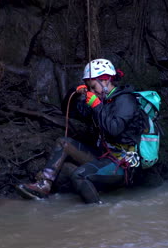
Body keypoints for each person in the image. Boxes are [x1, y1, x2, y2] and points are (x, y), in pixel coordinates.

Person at [15, 58, 147, 204]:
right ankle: (43, 185)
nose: (91, 91)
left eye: (92, 86)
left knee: (79, 176)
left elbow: (114, 129)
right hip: (103, 155)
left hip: (122, 164)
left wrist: (96, 106)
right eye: (88, 87)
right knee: (63, 143)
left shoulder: (125, 100)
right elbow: (69, 112)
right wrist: (75, 93)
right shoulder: (100, 100)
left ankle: (98, 212)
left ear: (105, 81)